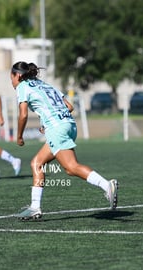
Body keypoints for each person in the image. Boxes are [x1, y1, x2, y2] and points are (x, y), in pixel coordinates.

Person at [10, 61, 118, 220]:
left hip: (57, 129)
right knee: (37, 163)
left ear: (17, 75)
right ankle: (35, 207)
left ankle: (107, 186)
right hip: (69, 124)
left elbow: (23, 114)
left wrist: (19, 136)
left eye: (11, 77)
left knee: (72, 167)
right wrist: (47, 122)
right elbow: (69, 106)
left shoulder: (22, 87)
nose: (11, 81)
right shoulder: (43, 84)